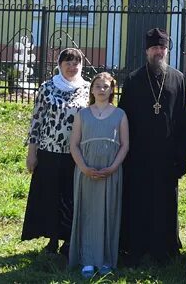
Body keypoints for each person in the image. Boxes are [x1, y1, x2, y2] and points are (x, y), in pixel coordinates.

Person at [118, 28, 186, 266]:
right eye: (154, 48)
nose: (159, 52)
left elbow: (184, 120)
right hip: (138, 156)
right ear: (146, 51)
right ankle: (136, 247)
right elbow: (123, 119)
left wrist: (182, 157)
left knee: (165, 203)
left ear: (167, 50)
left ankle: (165, 248)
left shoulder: (178, 78)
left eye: (162, 48)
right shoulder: (133, 79)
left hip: (167, 157)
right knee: (137, 201)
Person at [21, 47, 89, 257]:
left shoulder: (87, 88)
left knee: (71, 196)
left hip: (76, 154)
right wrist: (32, 153)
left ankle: (69, 240)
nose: (72, 67)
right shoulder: (47, 87)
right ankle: (51, 239)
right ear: (60, 65)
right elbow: (37, 120)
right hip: (48, 151)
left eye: (76, 62)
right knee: (50, 195)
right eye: (67, 62)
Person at [69, 72, 129, 277]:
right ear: (92, 89)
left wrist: (113, 167)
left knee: (108, 214)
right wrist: (84, 167)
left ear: (112, 89)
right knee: (88, 213)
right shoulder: (82, 114)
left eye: (106, 86)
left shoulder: (120, 114)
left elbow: (125, 145)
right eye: (98, 86)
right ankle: (87, 259)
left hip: (110, 172)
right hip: (86, 172)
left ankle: (106, 260)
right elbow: (74, 145)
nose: (102, 90)